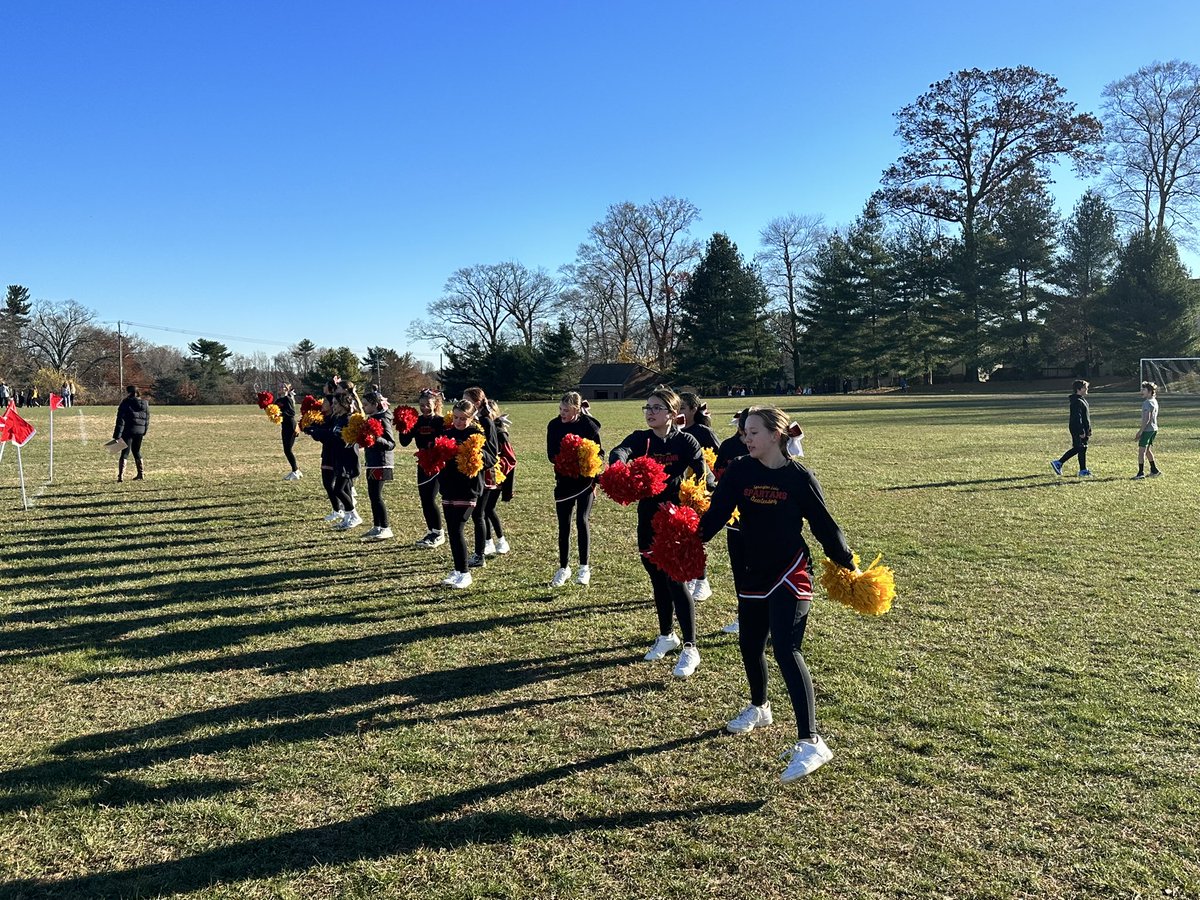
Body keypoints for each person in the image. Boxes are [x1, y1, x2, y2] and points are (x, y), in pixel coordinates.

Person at [699, 406, 857, 782]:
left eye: (753, 432)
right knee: (750, 646)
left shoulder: (799, 476)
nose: (746, 438)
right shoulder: (739, 469)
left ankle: (811, 741)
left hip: (791, 571)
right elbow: (717, 513)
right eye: (744, 433)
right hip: (752, 570)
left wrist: (849, 564)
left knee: (786, 648)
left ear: (776, 435)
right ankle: (760, 707)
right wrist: (691, 539)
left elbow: (824, 524)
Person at [609, 386, 711, 678]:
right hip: (647, 519)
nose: (650, 412)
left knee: (676, 580)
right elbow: (620, 450)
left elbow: (701, 471)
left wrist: (700, 492)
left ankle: (690, 647)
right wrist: (618, 465)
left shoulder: (686, 441)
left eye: (657, 408)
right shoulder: (641, 440)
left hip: (675, 521)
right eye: (648, 407)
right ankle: (667, 635)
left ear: (672, 414)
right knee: (657, 578)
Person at [438, 398, 496, 589]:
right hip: (448, 487)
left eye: (463, 418)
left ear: (472, 418)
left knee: (457, 529)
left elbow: (491, 458)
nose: (459, 422)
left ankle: (465, 573)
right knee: (453, 531)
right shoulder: (447, 433)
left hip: (469, 489)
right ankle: (458, 569)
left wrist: (476, 452)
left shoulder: (476, 434)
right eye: (456, 417)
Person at [546, 391, 602, 587]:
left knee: (581, 520)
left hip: (585, 482)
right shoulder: (554, 425)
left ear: (577, 410)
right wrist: (565, 458)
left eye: (566, 410)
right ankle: (563, 568)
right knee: (564, 524)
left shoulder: (588, 425)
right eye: (560, 409)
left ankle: (584, 568)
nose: (562, 413)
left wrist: (584, 460)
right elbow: (550, 454)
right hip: (563, 481)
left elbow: (599, 453)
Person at [679, 392, 721, 604]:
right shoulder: (673, 433)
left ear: (694, 410)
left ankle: (702, 580)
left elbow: (720, 460)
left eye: (683, 409)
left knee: (695, 535)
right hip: (678, 491)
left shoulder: (703, 432)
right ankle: (687, 576)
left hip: (699, 492)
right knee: (681, 535)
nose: (679, 413)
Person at [712, 410, 751, 635]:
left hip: (760, 520)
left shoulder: (767, 446)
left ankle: (769, 618)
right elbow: (717, 473)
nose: (749, 438)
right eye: (747, 430)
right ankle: (743, 616)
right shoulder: (728, 445)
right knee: (739, 569)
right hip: (734, 518)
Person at [398, 388, 446, 548]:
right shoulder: (417, 421)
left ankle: (438, 533)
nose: (424, 407)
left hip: (438, 464)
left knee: (431, 499)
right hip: (423, 463)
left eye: (427, 404)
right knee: (425, 499)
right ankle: (432, 531)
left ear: (436, 404)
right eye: (421, 405)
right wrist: (403, 425)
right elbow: (404, 441)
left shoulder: (441, 421)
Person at [462, 386, 503, 568]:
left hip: (485, 473)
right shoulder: (472, 420)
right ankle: (485, 547)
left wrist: (476, 456)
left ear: (477, 403)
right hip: (473, 473)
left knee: (479, 514)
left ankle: (480, 554)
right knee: (477, 515)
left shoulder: (486, 421)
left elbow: (493, 453)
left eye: (468, 400)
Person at [304, 392, 346, 523]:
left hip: (334, 454)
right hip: (327, 453)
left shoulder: (336, 418)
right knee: (328, 484)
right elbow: (322, 433)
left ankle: (342, 510)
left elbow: (329, 434)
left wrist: (315, 431)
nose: (323, 404)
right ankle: (337, 509)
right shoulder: (328, 417)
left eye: (328, 403)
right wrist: (311, 428)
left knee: (331, 484)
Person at [361, 389, 397, 538]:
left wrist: (375, 439)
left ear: (375, 405)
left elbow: (391, 443)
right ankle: (377, 526)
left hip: (382, 462)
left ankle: (386, 527)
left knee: (376, 496)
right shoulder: (372, 417)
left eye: (365, 404)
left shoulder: (383, 419)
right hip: (372, 461)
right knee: (372, 495)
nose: (363, 407)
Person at [1051, 380, 1093, 478]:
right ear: (1079, 389)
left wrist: (1088, 429)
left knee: (1081, 448)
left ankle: (1080, 469)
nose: (1087, 389)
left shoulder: (1082, 400)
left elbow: (1085, 417)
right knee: (1080, 447)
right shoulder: (1076, 401)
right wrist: (1081, 431)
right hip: (1077, 428)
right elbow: (1077, 418)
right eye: (1085, 387)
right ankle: (1061, 463)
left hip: (1083, 429)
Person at [113, 385, 150, 482]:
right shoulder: (145, 403)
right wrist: (144, 431)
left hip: (128, 431)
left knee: (124, 453)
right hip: (140, 432)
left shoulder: (125, 403)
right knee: (137, 452)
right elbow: (147, 419)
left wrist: (117, 435)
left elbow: (120, 420)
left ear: (129, 393)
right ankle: (140, 474)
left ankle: (120, 476)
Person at [1132, 381, 1162, 480]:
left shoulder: (1147, 403)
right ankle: (1154, 470)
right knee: (1147, 450)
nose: (1142, 391)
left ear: (1149, 392)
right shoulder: (1154, 401)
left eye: (1144, 390)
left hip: (1147, 430)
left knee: (1141, 451)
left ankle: (1140, 473)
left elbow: (1147, 418)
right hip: (1154, 429)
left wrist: (1140, 431)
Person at [277, 382, 302, 481]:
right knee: (286, 450)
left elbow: (292, 413)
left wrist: (280, 413)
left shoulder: (288, 399)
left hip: (291, 426)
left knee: (288, 450)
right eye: (279, 386)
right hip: (284, 426)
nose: (280, 387)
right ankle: (296, 471)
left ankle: (295, 471)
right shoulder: (278, 400)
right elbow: (273, 409)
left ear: (287, 389)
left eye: (282, 386)